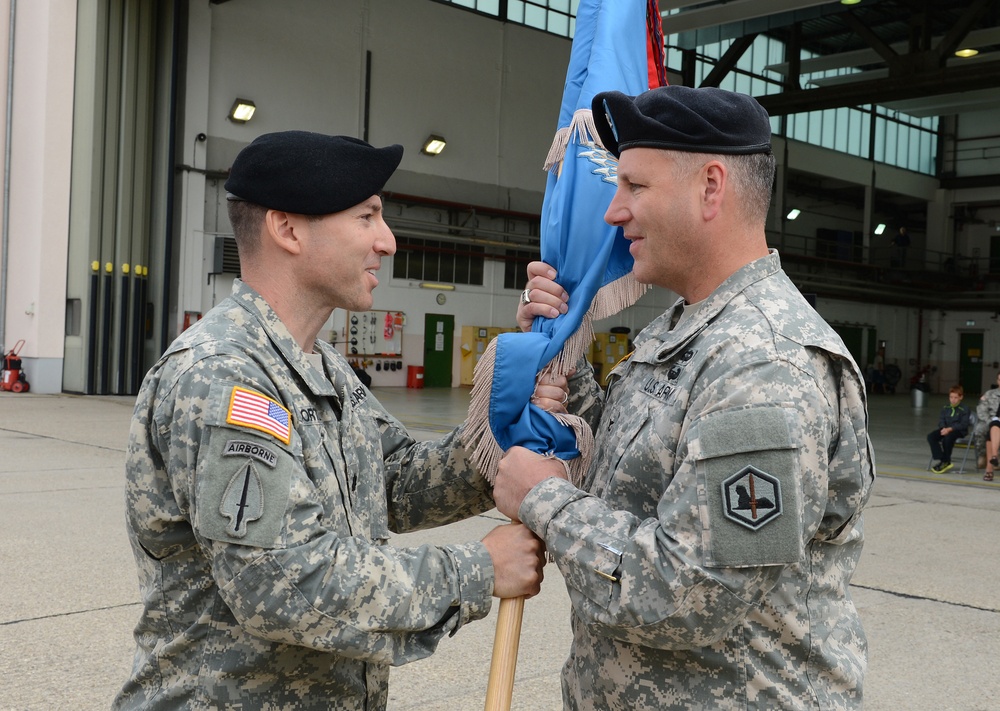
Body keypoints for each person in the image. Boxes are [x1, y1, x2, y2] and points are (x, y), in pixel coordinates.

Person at [113, 131, 556, 710]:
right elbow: (285, 583)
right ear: (288, 229)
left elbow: (397, 481)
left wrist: (512, 407)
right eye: (367, 216)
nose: (389, 241)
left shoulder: (320, 366)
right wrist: (479, 568)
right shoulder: (222, 377)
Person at [494, 86, 875, 709]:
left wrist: (542, 499)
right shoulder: (682, 328)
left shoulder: (765, 362)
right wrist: (563, 362)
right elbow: (643, 474)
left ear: (711, 186)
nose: (614, 212)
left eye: (635, 188)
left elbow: (691, 593)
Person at [927, 384, 971, 473]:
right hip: (946, 429)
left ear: (961, 397)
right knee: (931, 436)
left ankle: (945, 461)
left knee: (947, 438)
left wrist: (950, 429)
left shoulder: (965, 409)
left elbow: (964, 424)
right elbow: (941, 420)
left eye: (955, 397)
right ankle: (943, 458)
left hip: (958, 431)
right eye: (951, 397)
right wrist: (943, 428)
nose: (953, 400)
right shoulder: (946, 408)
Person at [974, 372, 1000, 469]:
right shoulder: (989, 394)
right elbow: (981, 410)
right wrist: (990, 422)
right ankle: (983, 455)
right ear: (997, 381)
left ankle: (997, 456)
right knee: (980, 429)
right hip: (989, 421)